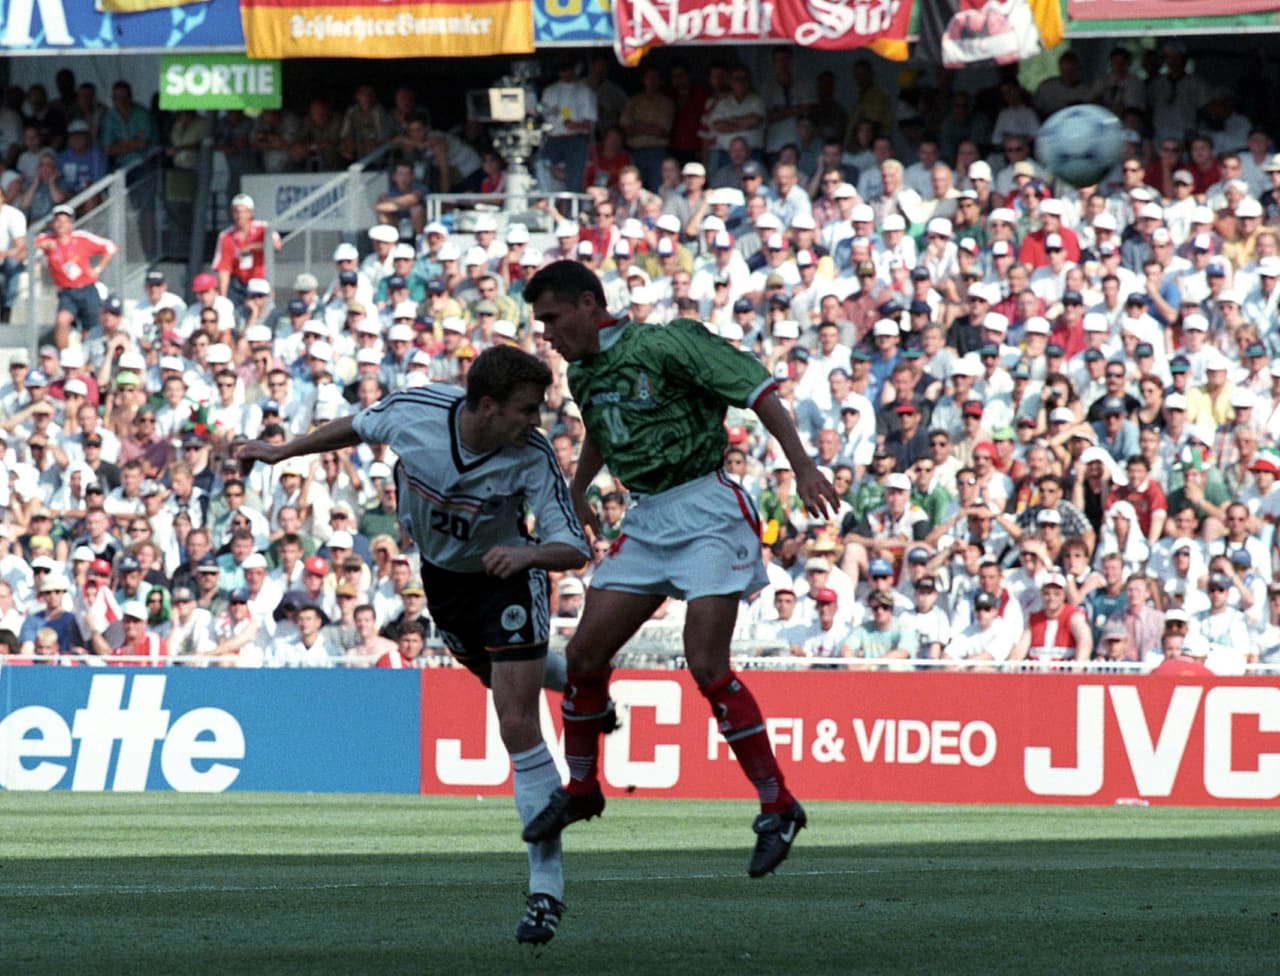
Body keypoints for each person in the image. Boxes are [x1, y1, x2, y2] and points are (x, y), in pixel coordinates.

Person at [238, 344, 591, 946]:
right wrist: (281, 450)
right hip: (444, 582)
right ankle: (581, 676)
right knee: (511, 679)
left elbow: (574, 547)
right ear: (486, 405)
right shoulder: (418, 411)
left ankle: (545, 891)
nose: (536, 424)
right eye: (526, 410)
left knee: (514, 720)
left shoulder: (530, 456)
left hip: (508, 577)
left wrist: (529, 553)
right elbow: (356, 424)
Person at [521, 260, 838, 881]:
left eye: (553, 319)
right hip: (647, 519)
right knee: (584, 656)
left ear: (589, 304)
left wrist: (801, 466)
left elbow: (759, 390)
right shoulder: (584, 372)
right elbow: (602, 432)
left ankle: (778, 803)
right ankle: (582, 790)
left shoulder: (668, 342)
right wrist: (577, 486)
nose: (547, 335)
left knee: (706, 663)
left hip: (708, 509)